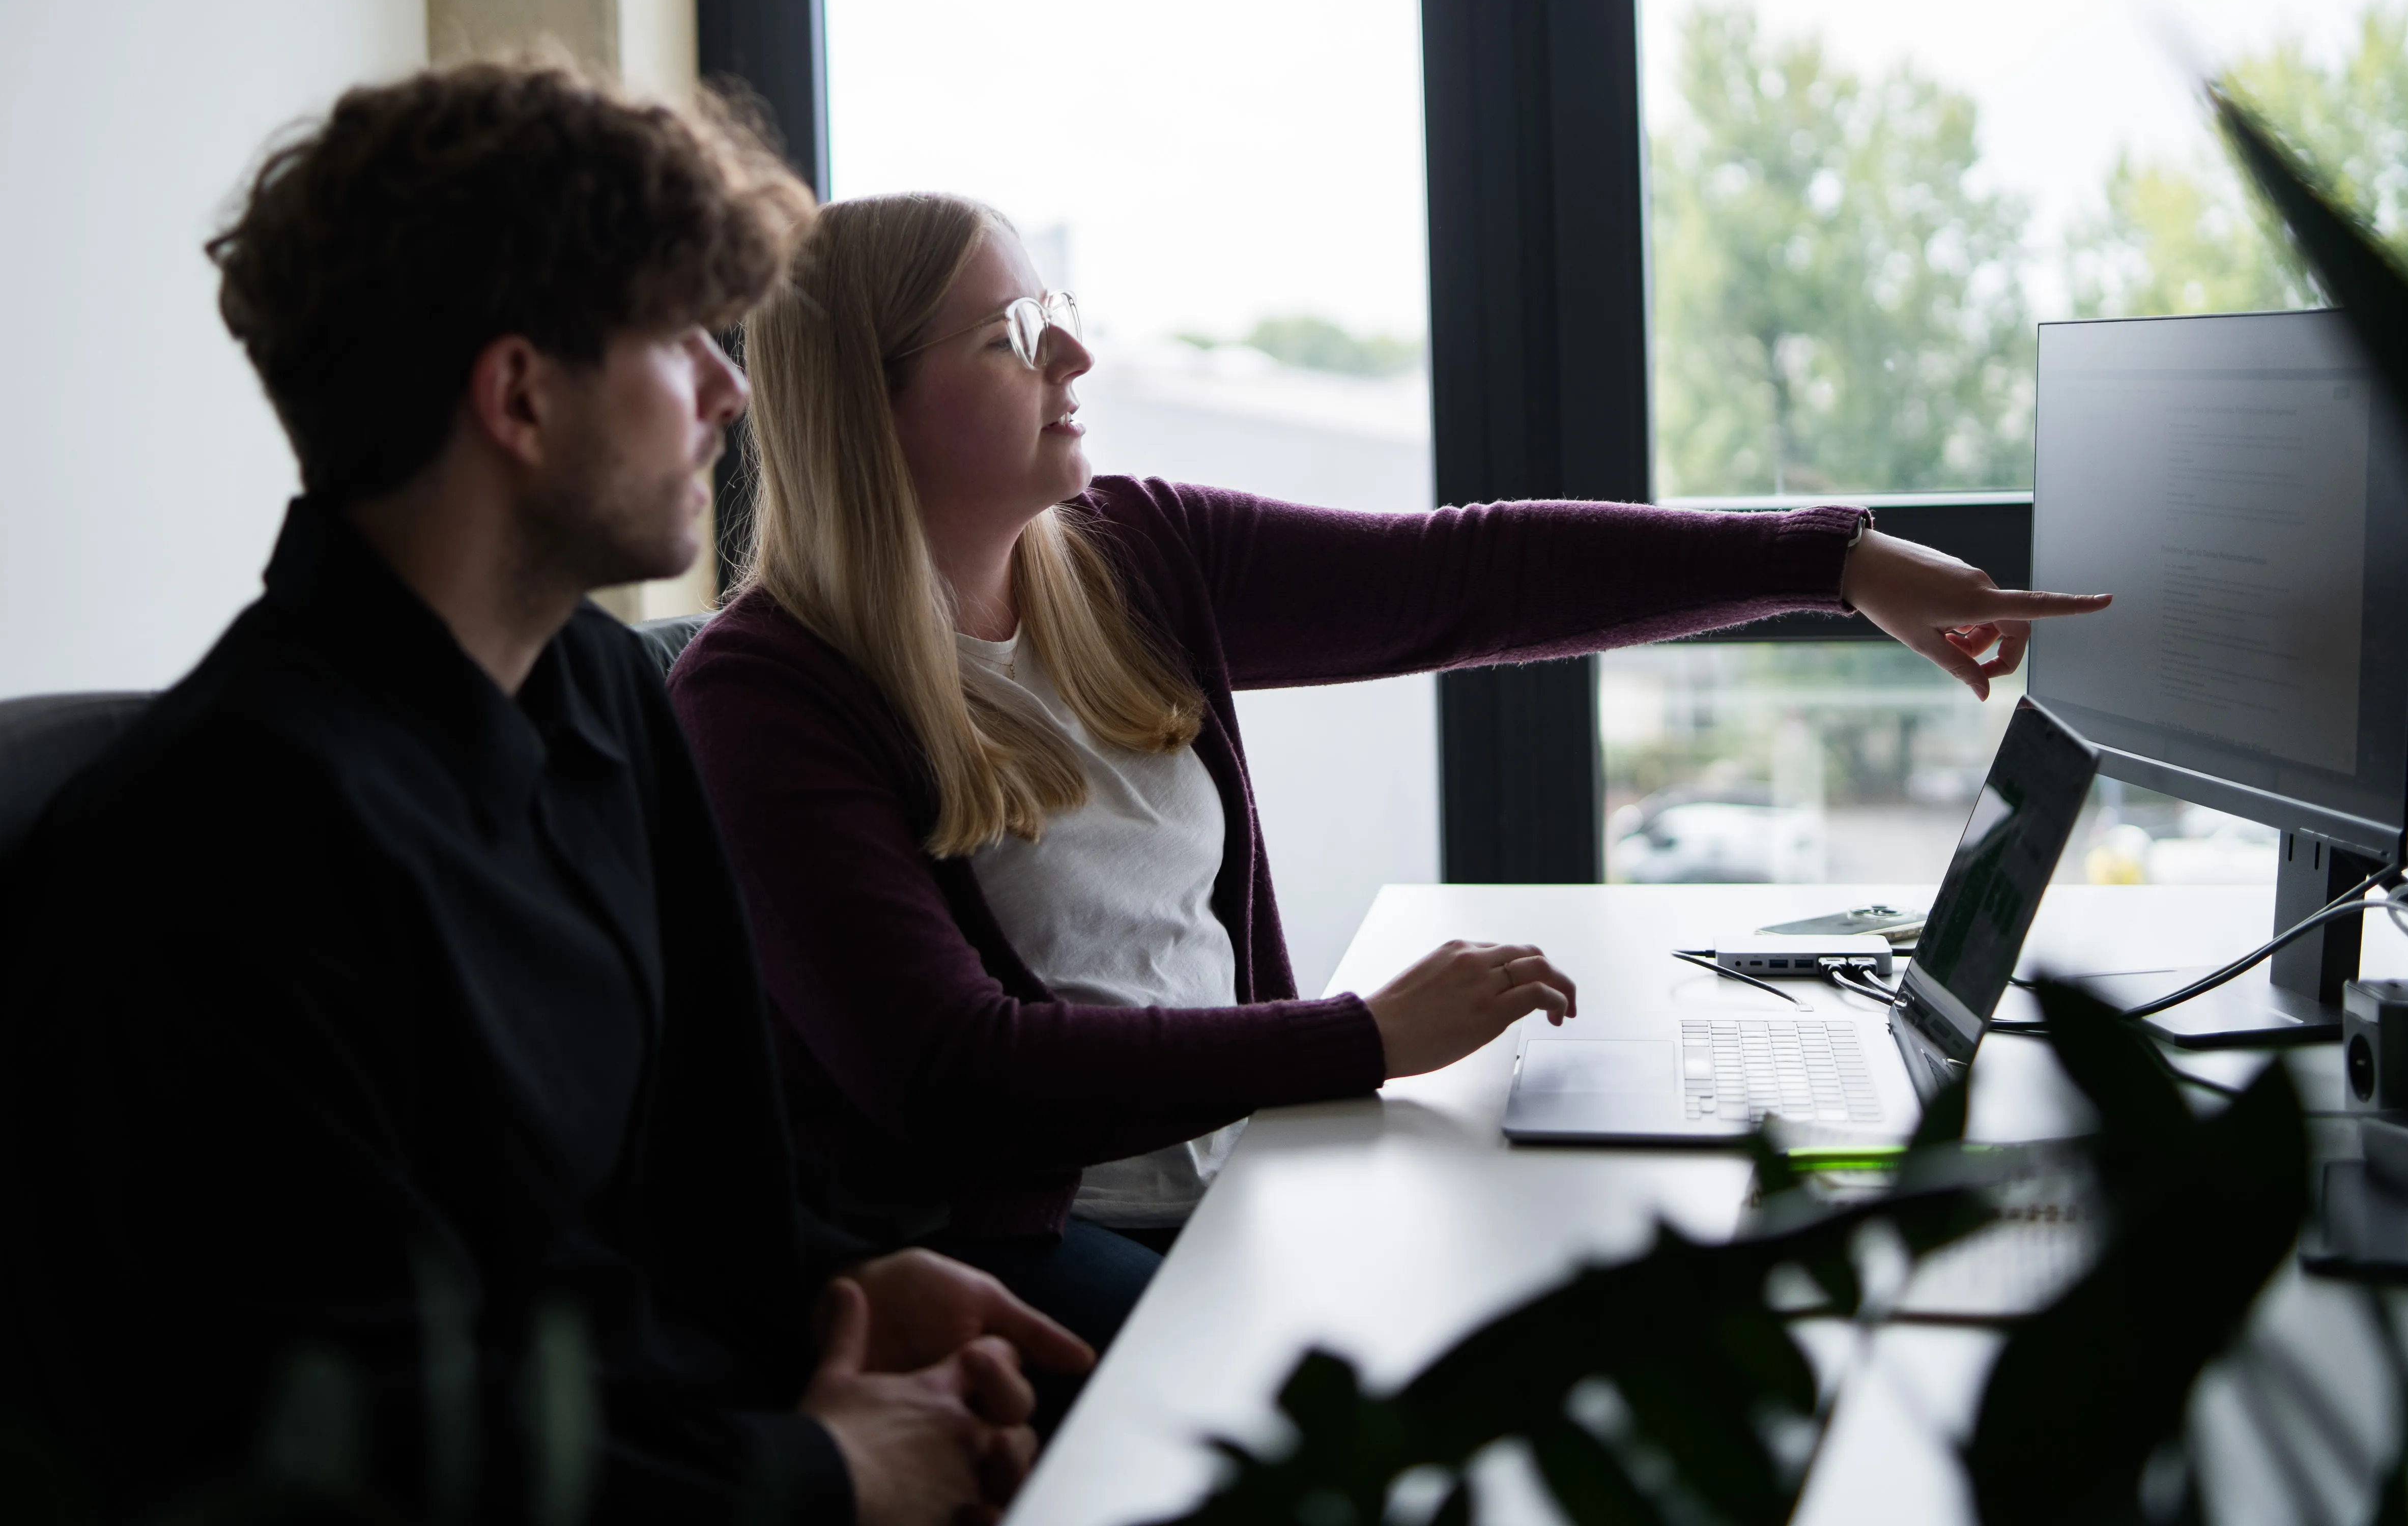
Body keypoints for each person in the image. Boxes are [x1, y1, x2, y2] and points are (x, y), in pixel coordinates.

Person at [666, 194, 2112, 1357]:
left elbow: (1466, 575)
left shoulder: (1131, 558)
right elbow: (952, 1078)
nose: (1076, 360)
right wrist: (1360, 1036)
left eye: (1063, 317)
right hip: (1025, 1249)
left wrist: (1833, 562)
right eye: (1012, 334)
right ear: (873, 402)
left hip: (1244, 1170)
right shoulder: (767, 696)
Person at [0, 65, 1091, 1526]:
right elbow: (354, 1447)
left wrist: (840, 1284)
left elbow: (706, 1196)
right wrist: (824, 1471)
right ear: (517, 395)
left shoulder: (611, 692)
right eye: (674, 337)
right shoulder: (211, 846)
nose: (730, 387)